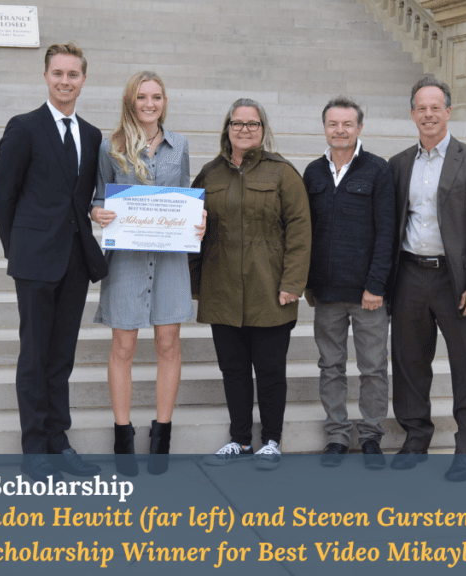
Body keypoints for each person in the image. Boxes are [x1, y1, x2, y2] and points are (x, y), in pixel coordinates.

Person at [0, 42, 107, 481]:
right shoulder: (24, 127)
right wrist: (18, 249)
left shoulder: (92, 135)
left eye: (73, 74)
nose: (65, 81)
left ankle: (59, 440)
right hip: (35, 261)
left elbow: (83, 199)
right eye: (57, 73)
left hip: (74, 261)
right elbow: (4, 196)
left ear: (82, 79)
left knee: (62, 357)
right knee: (35, 356)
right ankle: (34, 447)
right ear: (46, 76)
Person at [387, 77, 466, 481]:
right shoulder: (400, 164)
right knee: (408, 363)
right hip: (408, 276)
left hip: (454, 281)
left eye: (436, 107)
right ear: (413, 113)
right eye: (422, 107)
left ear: (448, 112)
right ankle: (415, 438)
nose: (429, 114)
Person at [89, 71, 201, 476]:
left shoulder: (181, 145)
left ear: (165, 101)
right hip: (128, 262)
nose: (149, 104)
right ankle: (122, 434)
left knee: (169, 344)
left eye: (156, 97)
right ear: (130, 101)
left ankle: (162, 433)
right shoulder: (110, 146)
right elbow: (99, 196)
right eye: (142, 97)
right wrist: (97, 213)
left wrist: (197, 220)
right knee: (123, 347)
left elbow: (185, 195)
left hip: (170, 260)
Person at [190, 98, 311, 470]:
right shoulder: (210, 175)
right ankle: (240, 439)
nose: (244, 129)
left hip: (270, 291)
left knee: (271, 372)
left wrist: (292, 283)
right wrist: (197, 285)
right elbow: (189, 229)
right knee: (234, 370)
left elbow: (300, 231)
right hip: (223, 290)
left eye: (252, 124)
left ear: (263, 130)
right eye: (237, 123)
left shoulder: (282, 174)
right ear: (227, 128)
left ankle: (271, 440)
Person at [302, 97, 395, 470]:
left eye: (347, 124)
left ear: (359, 128)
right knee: (331, 366)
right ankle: (337, 436)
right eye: (333, 124)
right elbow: (305, 231)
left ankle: (371, 435)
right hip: (326, 293)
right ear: (324, 127)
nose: (340, 130)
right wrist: (308, 282)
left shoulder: (378, 170)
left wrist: (376, 285)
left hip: (367, 293)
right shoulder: (313, 172)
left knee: (373, 367)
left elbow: (387, 232)